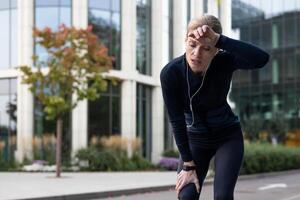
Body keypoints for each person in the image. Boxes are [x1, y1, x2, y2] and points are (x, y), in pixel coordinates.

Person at [160, 14, 269, 200]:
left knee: (223, 197)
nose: (196, 54)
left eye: (206, 48)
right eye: (192, 45)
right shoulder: (171, 73)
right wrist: (188, 164)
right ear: (186, 40)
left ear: (216, 50)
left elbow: (261, 59)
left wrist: (220, 39)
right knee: (186, 196)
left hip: (227, 136)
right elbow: (176, 121)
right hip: (195, 140)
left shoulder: (224, 61)